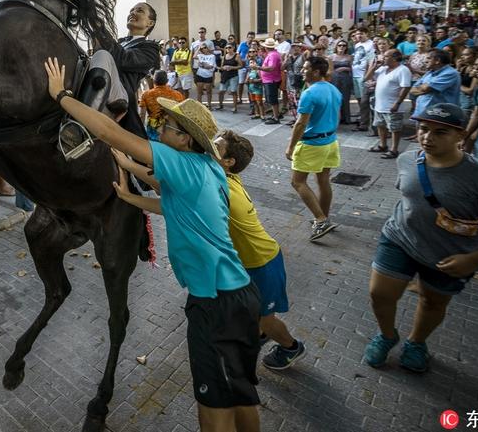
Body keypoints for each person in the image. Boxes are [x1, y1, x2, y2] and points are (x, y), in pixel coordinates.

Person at [46, 55, 260, 431]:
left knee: (213, 406)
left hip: (215, 305)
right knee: (240, 393)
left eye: (170, 124)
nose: (160, 124)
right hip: (239, 297)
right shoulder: (207, 169)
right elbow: (175, 204)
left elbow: (113, 134)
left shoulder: (184, 162)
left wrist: (62, 96)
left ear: (185, 139)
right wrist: (130, 194)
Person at [363, 103, 478, 372]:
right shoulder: (407, 159)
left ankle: (417, 343)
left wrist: (475, 259)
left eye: (441, 132)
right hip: (399, 238)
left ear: (461, 136)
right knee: (379, 294)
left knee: (432, 301)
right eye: (424, 129)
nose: (428, 137)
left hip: (452, 254)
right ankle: (386, 335)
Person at [213, 130, 305, 370]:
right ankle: (259, 331)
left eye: (216, 146)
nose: (210, 146)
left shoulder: (222, 187)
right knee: (252, 311)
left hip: (264, 263)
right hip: (252, 262)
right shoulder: (227, 176)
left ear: (229, 162)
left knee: (267, 318)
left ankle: (291, 347)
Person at [286, 57, 342, 242]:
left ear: (316, 71)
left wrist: (291, 146)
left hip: (312, 144)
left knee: (298, 182)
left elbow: (301, 123)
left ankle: (320, 219)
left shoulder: (309, 93)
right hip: (331, 141)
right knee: (323, 181)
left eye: (305, 68)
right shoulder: (334, 89)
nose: (302, 70)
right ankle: (323, 218)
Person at [102, 2, 161, 139]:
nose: (132, 13)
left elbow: (124, 60)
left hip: (119, 98)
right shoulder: (119, 42)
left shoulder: (150, 48)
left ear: (150, 23)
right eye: (131, 10)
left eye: (139, 11)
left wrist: (101, 31)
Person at [369, 50, 413, 159]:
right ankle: (382, 145)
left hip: (392, 106)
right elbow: (366, 78)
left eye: (385, 56)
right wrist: (373, 67)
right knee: (380, 125)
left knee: (394, 128)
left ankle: (394, 149)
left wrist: (397, 103)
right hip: (379, 105)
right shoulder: (383, 69)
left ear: (394, 58)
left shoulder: (403, 70)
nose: (382, 58)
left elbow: (405, 87)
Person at [410, 49, 461, 120]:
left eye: (428, 58)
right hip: (422, 112)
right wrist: (425, 88)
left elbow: (426, 88)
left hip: (440, 115)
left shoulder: (450, 73)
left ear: (437, 61)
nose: (425, 61)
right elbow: (412, 90)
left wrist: (425, 88)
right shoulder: (429, 72)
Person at [139, 71, 185, 141]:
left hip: (153, 129)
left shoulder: (146, 95)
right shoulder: (178, 95)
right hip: (172, 128)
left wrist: (140, 131)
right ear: (167, 81)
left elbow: (142, 115)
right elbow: (181, 114)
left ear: (154, 81)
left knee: (155, 149)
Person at [330, 40, 354, 124]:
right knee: (335, 97)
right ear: (336, 46)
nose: (341, 47)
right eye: (339, 45)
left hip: (346, 78)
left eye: (344, 45)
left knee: (345, 98)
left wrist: (345, 68)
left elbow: (352, 68)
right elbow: (330, 69)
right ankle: (336, 117)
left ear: (346, 47)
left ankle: (346, 118)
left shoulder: (349, 57)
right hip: (335, 78)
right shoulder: (331, 56)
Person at [260, 38, 282, 124]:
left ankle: (276, 117)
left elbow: (271, 68)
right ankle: (276, 114)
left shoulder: (272, 55)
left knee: (272, 98)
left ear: (266, 47)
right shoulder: (273, 54)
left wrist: (258, 67)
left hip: (271, 80)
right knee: (272, 98)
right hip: (270, 79)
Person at [217, 44, 243, 113]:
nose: (228, 49)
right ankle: (220, 105)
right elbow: (222, 67)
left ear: (233, 48)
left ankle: (235, 107)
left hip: (233, 75)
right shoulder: (224, 56)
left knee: (233, 91)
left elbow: (241, 66)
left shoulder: (237, 56)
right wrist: (222, 68)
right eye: (227, 48)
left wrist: (232, 67)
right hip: (225, 76)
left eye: (230, 47)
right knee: (221, 91)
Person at [193, 42, 216, 107]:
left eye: (205, 47)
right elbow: (194, 56)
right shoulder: (200, 55)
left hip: (208, 76)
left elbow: (211, 66)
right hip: (200, 75)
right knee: (199, 92)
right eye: (202, 49)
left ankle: (209, 105)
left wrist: (203, 64)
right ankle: (199, 105)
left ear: (208, 48)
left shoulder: (212, 56)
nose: (203, 49)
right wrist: (198, 48)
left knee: (208, 91)